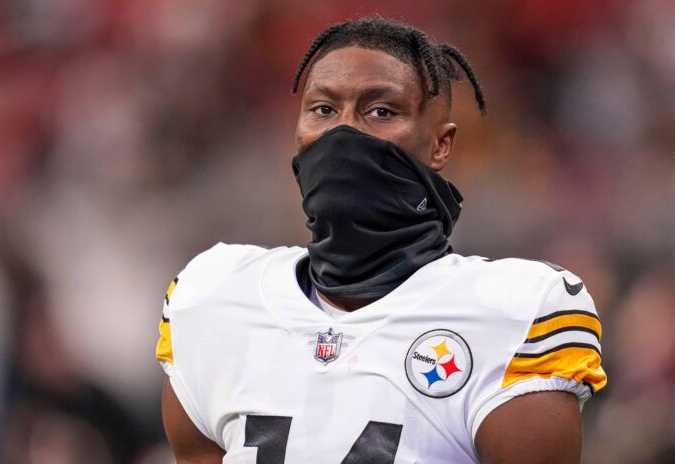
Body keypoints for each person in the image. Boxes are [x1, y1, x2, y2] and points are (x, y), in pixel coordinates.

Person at [156, 16, 606, 463]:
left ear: (440, 145)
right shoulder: (214, 298)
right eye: (323, 109)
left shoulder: (513, 313)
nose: (344, 133)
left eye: (381, 111)